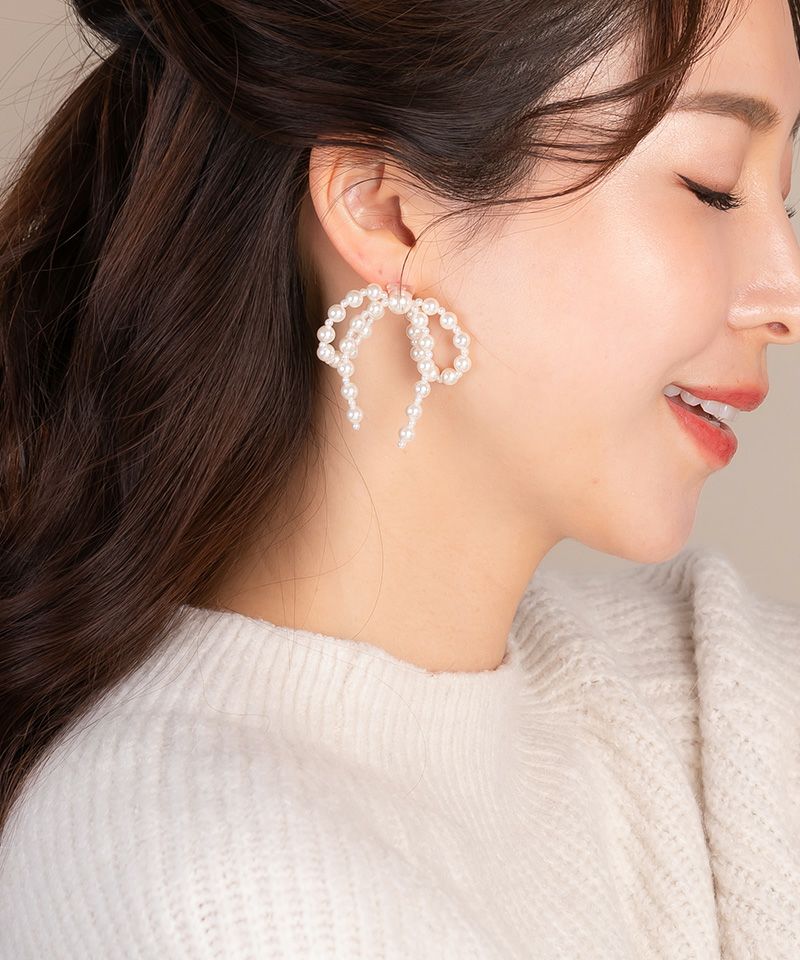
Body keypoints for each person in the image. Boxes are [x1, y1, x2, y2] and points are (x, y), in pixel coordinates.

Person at [0, 0, 799, 956]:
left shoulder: (710, 697)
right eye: (712, 186)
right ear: (385, 210)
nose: (785, 295)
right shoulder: (223, 892)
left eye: (785, 200)